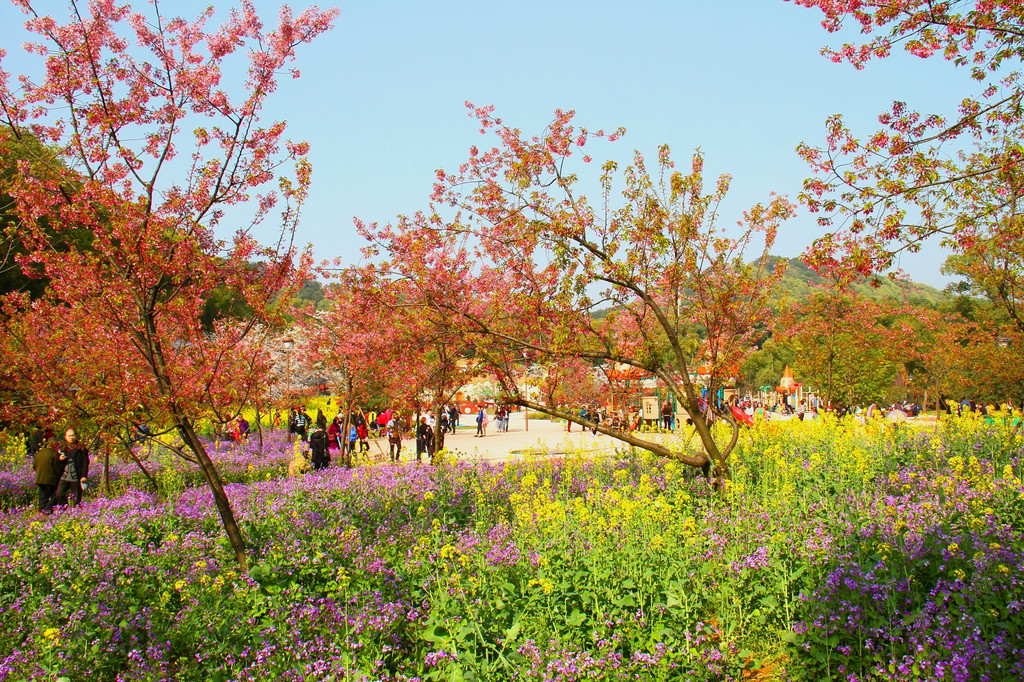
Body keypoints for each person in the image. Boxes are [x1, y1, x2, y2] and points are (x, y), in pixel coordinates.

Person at [47, 428, 89, 509]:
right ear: (65, 437)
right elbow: (58, 463)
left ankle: (76, 512)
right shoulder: (64, 448)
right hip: (64, 476)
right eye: (69, 436)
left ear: (76, 436)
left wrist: (84, 476)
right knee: (59, 494)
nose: (71, 438)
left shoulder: (81, 448)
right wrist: (60, 459)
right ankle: (65, 509)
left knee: (77, 498)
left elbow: (85, 463)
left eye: (73, 435)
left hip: (76, 476)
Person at [33, 437, 60, 512]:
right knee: (54, 496)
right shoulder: (55, 454)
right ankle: (47, 511)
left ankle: (41, 512)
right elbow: (57, 468)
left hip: (39, 478)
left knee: (42, 497)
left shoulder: (39, 453)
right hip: (50, 480)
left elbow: (35, 466)